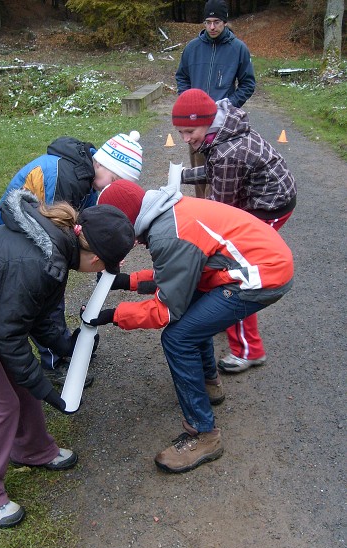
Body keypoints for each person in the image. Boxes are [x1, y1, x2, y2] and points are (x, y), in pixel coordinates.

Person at [0, 189, 135, 528]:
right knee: (0, 406)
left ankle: (33, 449)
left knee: (20, 384)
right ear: (94, 258)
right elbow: (11, 337)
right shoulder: (36, 261)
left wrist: (68, 347)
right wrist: (49, 391)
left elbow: (40, 315)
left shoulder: (55, 248)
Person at [90, 179, 294, 474]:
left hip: (262, 275)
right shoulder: (166, 213)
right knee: (191, 319)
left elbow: (167, 309)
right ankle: (210, 384)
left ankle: (204, 434)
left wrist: (114, 315)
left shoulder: (167, 234)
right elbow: (177, 273)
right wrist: (128, 282)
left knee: (178, 336)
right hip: (253, 262)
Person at [0, 132, 143, 387]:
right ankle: (54, 360)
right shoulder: (66, 178)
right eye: (114, 180)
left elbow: (91, 225)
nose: (111, 188)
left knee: (53, 288)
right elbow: (51, 234)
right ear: (103, 164)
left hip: (39, 236)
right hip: (18, 240)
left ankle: (64, 347)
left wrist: (106, 256)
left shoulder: (88, 177)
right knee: (47, 295)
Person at [172, 88, 297, 373]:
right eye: (179, 132)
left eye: (189, 130)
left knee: (239, 273)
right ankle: (219, 318)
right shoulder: (222, 133)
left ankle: (248, 349)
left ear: (206, 120)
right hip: (262, 200)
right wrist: (180, 177)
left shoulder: (228, 149)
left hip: (270, 207)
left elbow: (219, 214)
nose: (185, 139)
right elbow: (216, 171)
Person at [175, 0, 255, 197]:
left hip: (224, 125)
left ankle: (220, 213)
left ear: (225, 22)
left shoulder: (238, 49)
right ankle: (202, 211)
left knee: (221, 174)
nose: (212, 26)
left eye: (217, 22)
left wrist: (228, 105)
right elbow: (182, 77)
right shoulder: (192, 48)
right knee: (199, 175)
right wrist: (187, 100)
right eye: (208, 22)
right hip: (197, 123)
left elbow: (248, 84)